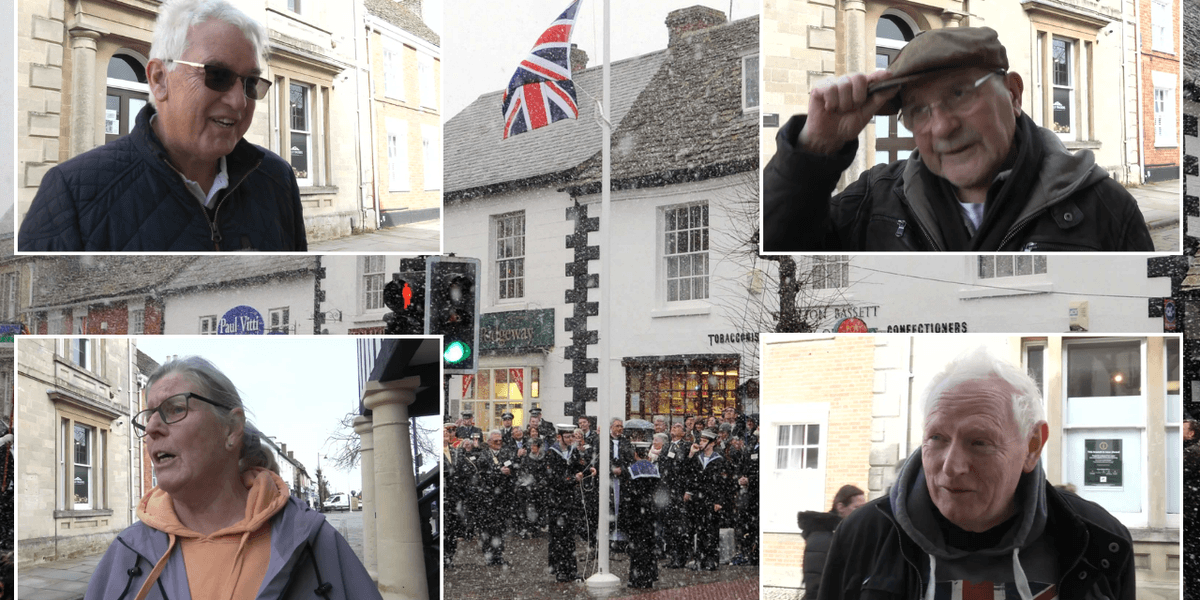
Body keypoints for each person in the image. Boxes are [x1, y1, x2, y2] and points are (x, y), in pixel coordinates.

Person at [763, 26, 1153, 252]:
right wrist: (814, 150)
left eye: (959, 94)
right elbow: (778, 260)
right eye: (918, 110)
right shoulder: (872, 201)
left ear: (1013, 95)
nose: (942, 127)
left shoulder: (1106, 209)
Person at [818, 348, 1134, 600]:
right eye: (937, 438)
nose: (951, 466)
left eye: (979, 442)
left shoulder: (1100, 541)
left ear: (1032, 447)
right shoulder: (864, 535)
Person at [19, 0, 307, 251]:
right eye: (217, 75)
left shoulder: (276, 178)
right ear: (159, 79)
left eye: (251, 83)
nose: (239, 101)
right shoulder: (70, 193)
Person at [85, 357, 378, 599]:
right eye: (149, 416)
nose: (151, 428)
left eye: (175, 409)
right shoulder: (126, 551)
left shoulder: (312, 540)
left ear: (232, 428)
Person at [797, 485, 865, 599]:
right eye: (857, 507)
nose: (862, 513)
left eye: (864, 508)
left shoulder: (850, 534)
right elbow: (816, 584)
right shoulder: (821, 537)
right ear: (840, 507)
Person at [685, 429, 729, 571]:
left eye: (704, 441)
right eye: (701, 440)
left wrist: (719, 501)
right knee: (700, 529)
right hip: (699, 498)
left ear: (711, 443)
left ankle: (711, 560)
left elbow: (723, 483)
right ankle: (700, 559)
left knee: (711, 530)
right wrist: (690, 454)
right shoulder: (697, 457)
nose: (701, 443)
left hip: (711, 498)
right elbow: (689, 473)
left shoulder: (719, 459)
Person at [546, 425, 584, 582]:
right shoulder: (551, 453)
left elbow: (579, 466)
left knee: (569, 536)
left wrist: (588, 470)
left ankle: (571, 569)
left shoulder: (573, 451)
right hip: (556, 501)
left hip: (570, 500)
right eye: (567, 437)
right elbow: (554, 479)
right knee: (558, 536)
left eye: (571, 436)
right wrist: (572, 479)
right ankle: (560, 569)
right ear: (559, 437)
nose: (570, 439)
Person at [625, 442, 662, 589]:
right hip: (650, 514)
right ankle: (649, 577)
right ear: (647, 455)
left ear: (635, 454)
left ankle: (637, 578)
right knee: (649, 545)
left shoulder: (631, 470)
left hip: (636, 514)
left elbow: (629, 495)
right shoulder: (655, 469)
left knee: (637, 547)